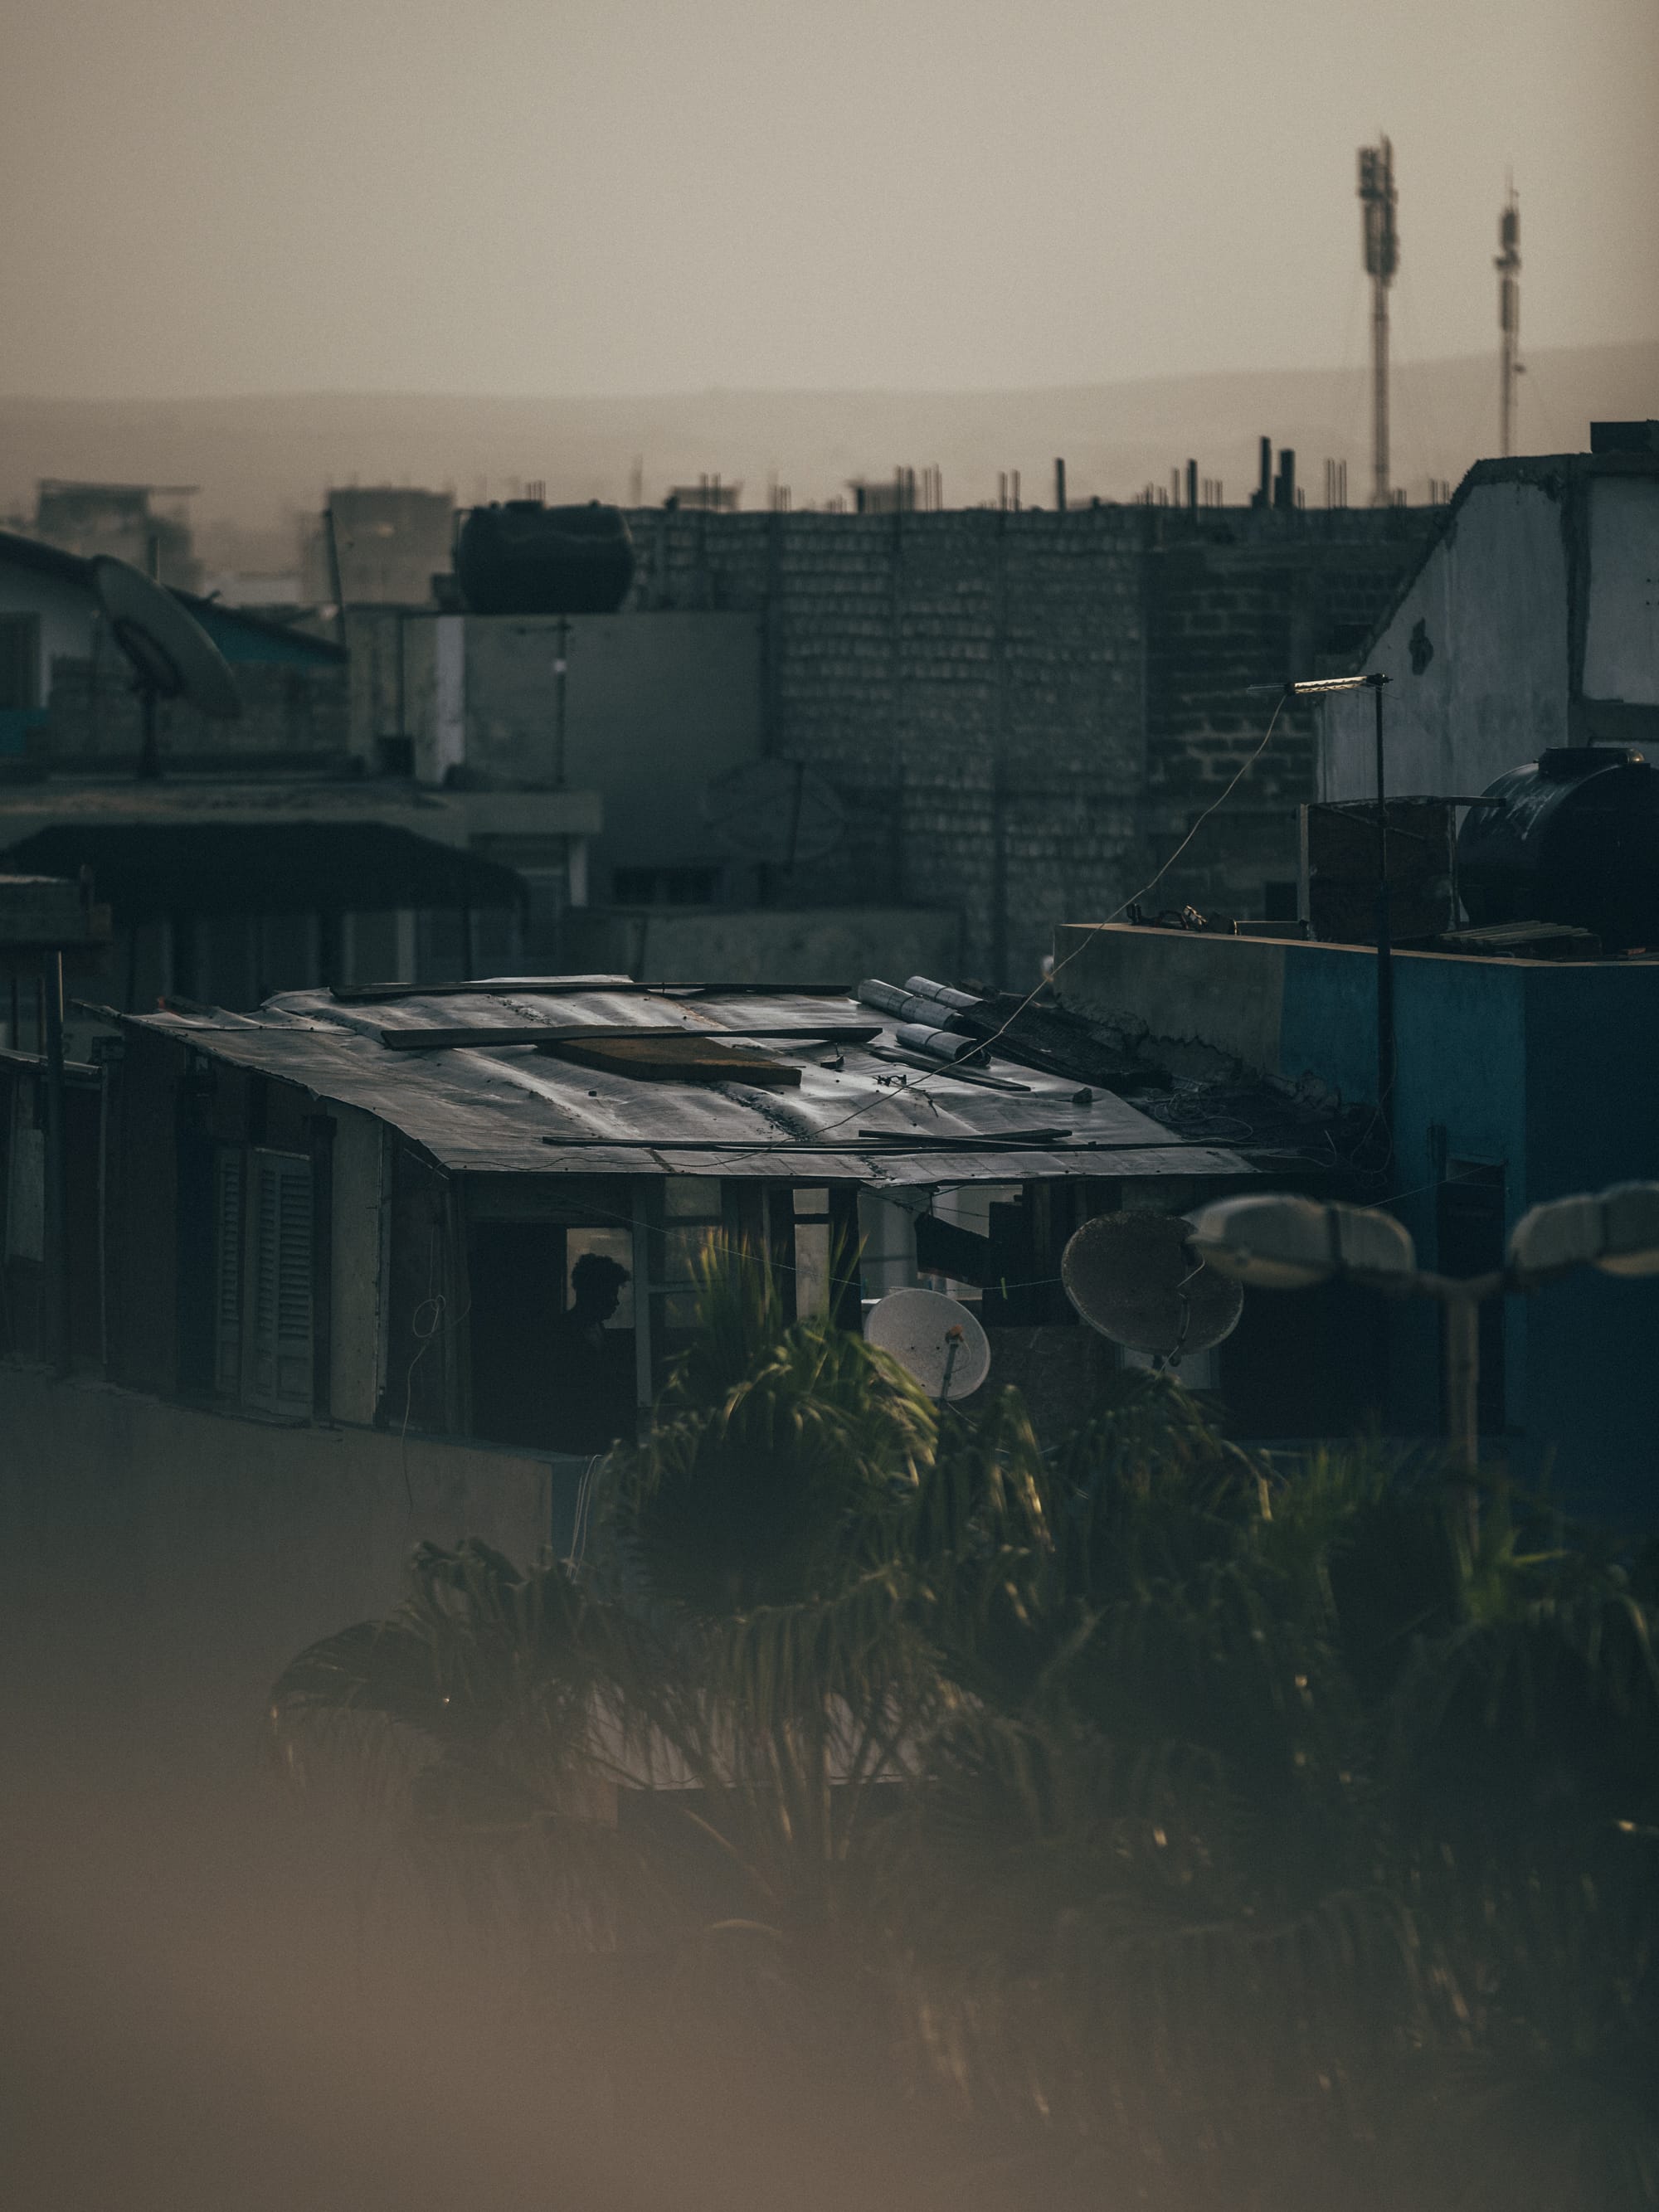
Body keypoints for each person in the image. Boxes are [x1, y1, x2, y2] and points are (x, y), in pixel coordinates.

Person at [547, 1252, 631, 1452]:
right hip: (574, 1436)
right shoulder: (561, 1333)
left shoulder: (600, 1331)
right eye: (611, 1293)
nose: (616, 1302)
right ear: (594, 1292)